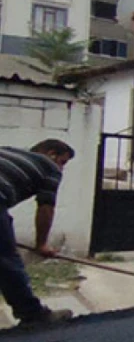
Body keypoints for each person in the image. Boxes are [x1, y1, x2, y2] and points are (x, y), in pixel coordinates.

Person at [0, 139, 76, 326]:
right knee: (7, 261)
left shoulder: (9, 150)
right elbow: (46, 207)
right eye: (63, 162)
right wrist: (41, 243)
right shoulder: (48, 167)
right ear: (51, 154)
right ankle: (33, 315)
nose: (62, 169)